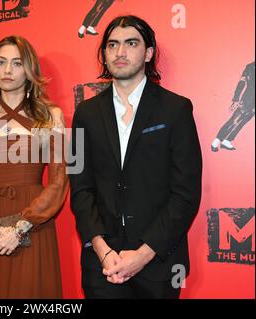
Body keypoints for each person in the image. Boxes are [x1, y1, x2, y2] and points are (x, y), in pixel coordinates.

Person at [70, 15, 202, 298]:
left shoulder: (176, 109)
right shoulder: (85, 114)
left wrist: (143, 254)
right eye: (112, 45)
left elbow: (186, 192)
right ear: (104, 55)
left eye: (131, 43)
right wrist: (104, 252)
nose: (120, 52)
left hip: (159, 264)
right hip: (103, 266)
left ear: (148, 53)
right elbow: (80, 189)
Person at [0, 35, 68, 298]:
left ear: (29, 71)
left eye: (17, 63)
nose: (7, 70)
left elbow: (59, 180)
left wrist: (20, 229)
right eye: (1, 62)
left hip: (35, 221)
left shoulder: (51, 115)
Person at [211, 61, 255, 152]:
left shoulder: (249, 66)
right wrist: (235, 99)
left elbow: (241, 83)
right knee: (234, 120)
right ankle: (216, 141)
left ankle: (227, 141)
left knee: (243, 120)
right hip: (248, 99)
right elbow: (241, 83)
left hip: (250, 100)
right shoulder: (250, 66)